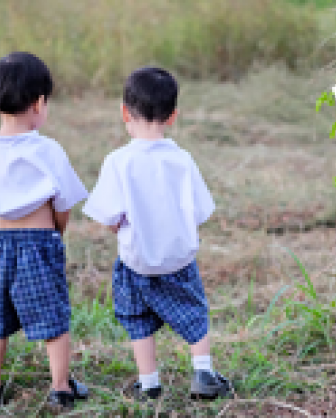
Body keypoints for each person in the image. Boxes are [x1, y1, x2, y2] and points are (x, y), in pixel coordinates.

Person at [83, 67, 232, 402]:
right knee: (193, 313)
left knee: (137, 320)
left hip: (136, 261)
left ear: (124, 112)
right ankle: (204, 371)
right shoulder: (182, 160)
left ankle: (149, 382)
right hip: (178, 259)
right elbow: (200, 212)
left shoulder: (118, 162)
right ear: (173, 116)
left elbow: (109, 217)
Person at [0, 52, 89, 409]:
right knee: (53, 318)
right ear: (39, 102)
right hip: (39, 243)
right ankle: (61, 387)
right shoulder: (48, 150)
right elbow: (63, 205)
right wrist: (55, 232)